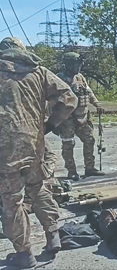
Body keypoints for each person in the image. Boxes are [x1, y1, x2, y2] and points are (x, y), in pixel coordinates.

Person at [0, 37, 78, 268]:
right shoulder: (39, 71)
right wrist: (49, 125)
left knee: (12, 201)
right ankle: (53, 235)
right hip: (35, 144)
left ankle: (24, 254)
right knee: (38, 187)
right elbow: (69, 99)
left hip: (6, 150)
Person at [55, 52, 105, 180]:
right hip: (67, 119)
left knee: (89, 140)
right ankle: (71, 171)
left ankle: (90, 168)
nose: (79, 67)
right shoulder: (58, 79)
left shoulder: (80, 77)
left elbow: (89, 92)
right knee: (68, 144)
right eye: (76, 65)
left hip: (83, 117)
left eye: (79, 65)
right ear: (69, 65)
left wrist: (97, 105)